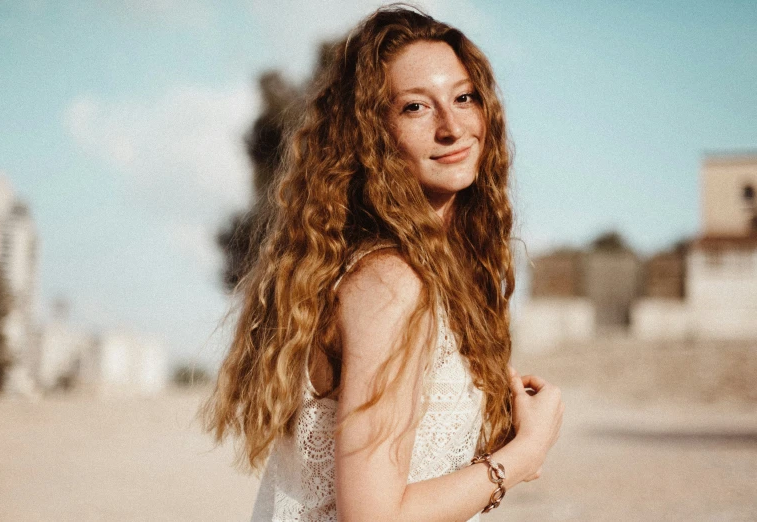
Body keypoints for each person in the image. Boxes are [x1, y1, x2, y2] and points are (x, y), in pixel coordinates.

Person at [205, 5, 564, 521]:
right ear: (371, 134)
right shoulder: (391, 283)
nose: (452, 126)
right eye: (415, 108)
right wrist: (521, 457)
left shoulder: (394, 274)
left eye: (464, 98)